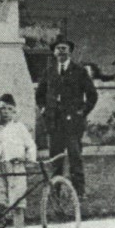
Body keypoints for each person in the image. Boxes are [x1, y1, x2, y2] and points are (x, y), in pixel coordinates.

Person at [35, 35, 98, 199]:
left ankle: (79, 192)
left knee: (74, 157)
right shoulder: (49, 72)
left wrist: (82, 113)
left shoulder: (79, 71)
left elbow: (92, 95)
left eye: (64, 48)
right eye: (58, 48)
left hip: (73, 124)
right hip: (54, 124)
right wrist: (43, 109)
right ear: (54, 52)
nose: (61, 51)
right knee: (55, 159)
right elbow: (39, 94)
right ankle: (54, 192)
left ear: (70, 51)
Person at [0, 93, 37, 228]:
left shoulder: (19, 127)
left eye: (10, 109)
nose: (6, 112)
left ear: (14, 111)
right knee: (0, 204)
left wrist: (29, 159)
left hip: (16, 168)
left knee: (18, 205)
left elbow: (30, 145)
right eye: (3, 109)